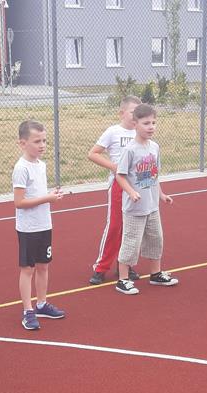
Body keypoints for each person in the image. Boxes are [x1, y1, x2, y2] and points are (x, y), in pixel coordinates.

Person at [114, 103, 178, 295]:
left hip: (152, 206)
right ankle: (123, 279)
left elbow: (154, 175)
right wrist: (131, 192)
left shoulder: (154, 147)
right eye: (146, 123)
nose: (151, 127)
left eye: (153, 123)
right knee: (131, 243)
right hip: (135, 209)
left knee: (156, 239)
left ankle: (155, 274)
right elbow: (120, 176)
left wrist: (161, 195)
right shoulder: (130, 150)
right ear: (135, 124)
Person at [12, 119, 66, 330]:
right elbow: (19, 202)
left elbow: (39, 194)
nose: (42, 145)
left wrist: (50, 195)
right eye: (37, 141)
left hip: (44, 224)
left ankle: (42, 303)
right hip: (28, 228)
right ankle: (28, 310)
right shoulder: (21, 168)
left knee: (44, 266)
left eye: (44, 141)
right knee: (28, 269)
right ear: (22, 143)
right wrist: (47, 198)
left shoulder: (41, 165)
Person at [86, 95, 141, 285]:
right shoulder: (113, 132)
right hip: (119, 184)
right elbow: (93, 153)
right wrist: (114, 167)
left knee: (130, 227)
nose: (136, 116)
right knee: (115, 226)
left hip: (136, 185)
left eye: (138, 113)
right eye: (133, 112)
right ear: (122, 113)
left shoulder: (140, 132)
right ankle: (101, 267)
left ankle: (124, 264)